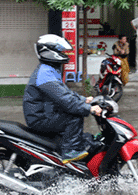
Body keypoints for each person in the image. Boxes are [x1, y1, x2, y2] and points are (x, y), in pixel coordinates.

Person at [23, 34, 102, 164]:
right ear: (49, 52)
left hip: (45, 113)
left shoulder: (49, 70)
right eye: (59, 51)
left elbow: (64, 92)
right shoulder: (45, 73)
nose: (62, 54)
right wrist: (89, 108)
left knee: (84, 133)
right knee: (73, 117)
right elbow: (65, 100)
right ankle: (70, 152)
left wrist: (84, 100)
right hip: (40, 118)